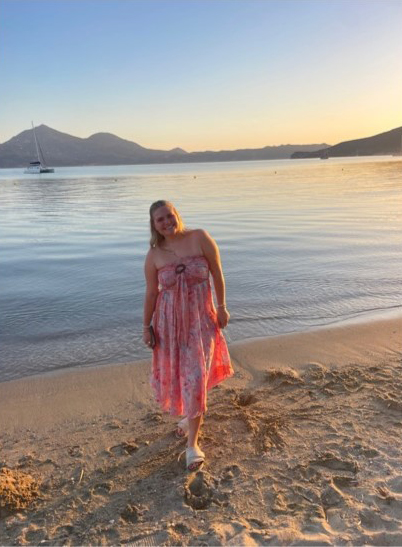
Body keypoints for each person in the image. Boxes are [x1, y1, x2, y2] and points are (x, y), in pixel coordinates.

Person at [143, 200, 233, 471]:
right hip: (168, 324)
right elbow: (151, 293)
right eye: (160, 220)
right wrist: (146, 326)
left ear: (177, 214)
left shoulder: (199, 238)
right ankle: (189, 418)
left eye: (169, 215)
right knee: (186, 375)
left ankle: (192, 444)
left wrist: (222, 307)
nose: (167, 222)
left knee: (196, 376)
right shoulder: (154, 255)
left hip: (200, 320)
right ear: (154, 225)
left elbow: (217, 272)